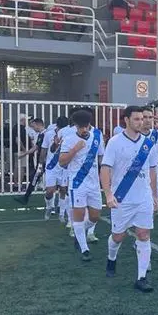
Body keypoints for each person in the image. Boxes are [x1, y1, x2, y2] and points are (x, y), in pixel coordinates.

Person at [100, 106, 158, 293]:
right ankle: (111, 258)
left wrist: (154, 195)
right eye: (136, 119)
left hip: (143, 199)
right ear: (126, 120)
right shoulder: (115, 142)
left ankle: (141, 278)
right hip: (122, 198)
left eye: (142, 119)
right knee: (118, 237)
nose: (141, 122)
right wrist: (108, 194)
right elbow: (105, 168)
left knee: (144, 234)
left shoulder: (148, 144)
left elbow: (152, 170)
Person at [59, 109, 105, 261]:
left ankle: (79, 235)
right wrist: (75, 149)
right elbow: (62, 161)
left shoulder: (97, 137)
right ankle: (84, 249)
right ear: (75, 126)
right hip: (77, 183)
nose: (84, 129)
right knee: (78, 216)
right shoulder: (69, 139)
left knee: (95, 216)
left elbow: (101, 159)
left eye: (86, 126)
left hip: (94, 183)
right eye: (81, 127)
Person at [41, 116, 74, 224]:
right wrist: (41, 163)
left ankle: (61, 214)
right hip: (51, 166)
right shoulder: (49, 134)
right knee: (50, 190)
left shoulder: (70, 135)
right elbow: (45, 149)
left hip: (64, 166)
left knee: (64, 190)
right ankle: (49, 206)